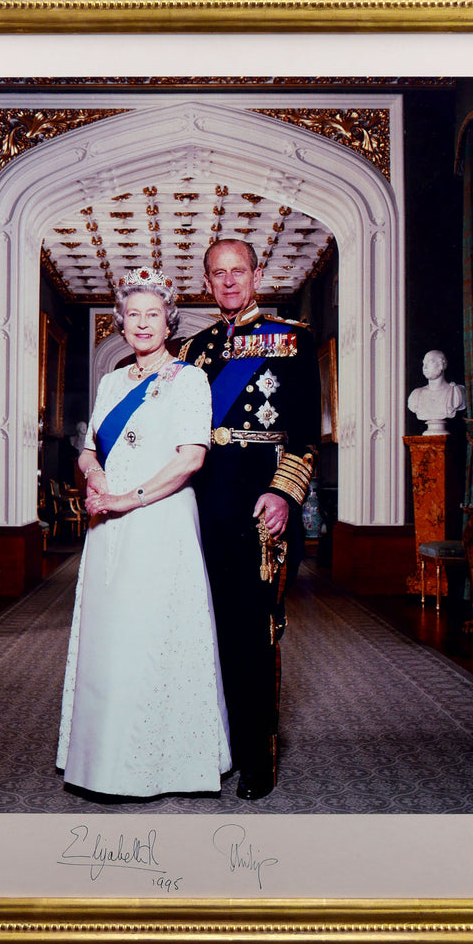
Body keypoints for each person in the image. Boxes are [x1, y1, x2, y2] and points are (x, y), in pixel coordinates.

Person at [56, 268, 232, 798]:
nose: (142, 323)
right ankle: (101, 763)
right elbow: (89, 449)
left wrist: (126, 499)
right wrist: (96, 478)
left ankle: (167, 764)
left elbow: (190, 460)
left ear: (168, 321)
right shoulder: (112, 381)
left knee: (154, 631)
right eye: (133, 315)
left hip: (159, 519)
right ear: (121, 323)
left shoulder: (189, 380)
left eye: (152, 314)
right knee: (111, 635)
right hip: (108, 524)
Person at [178, 239, 322, 799]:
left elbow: (306, 432)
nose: (230, 282)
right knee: (200, 628)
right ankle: (210, 747)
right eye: (219, 273)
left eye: (239, 271)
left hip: (259, 497)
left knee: (251, 632)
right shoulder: (193, 349)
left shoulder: (293, 339)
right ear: (208, 281)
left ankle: (256, 757)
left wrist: (284, 493)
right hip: (199, 496)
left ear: (257, 274)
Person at [407, 349, 466, 435]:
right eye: (424, 363)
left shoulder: (455, 393)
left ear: (442, 364)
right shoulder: (416, 395)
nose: (425, 367)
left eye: (430, 362)